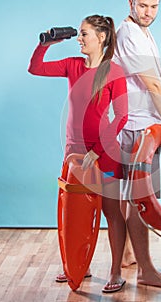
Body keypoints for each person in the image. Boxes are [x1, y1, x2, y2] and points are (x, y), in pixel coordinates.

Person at [28, 15, 128, 292]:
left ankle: (116, 272)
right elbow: (35, 68)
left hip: (104, 153)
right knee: (73, 211)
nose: (80, 39)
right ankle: (76, 266)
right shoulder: (73, 65)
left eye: (84, 34)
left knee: (111, 212)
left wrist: (96, 152)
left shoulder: (114, 72)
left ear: (102, 37)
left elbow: (121, 116)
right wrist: (48, 43)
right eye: (80, 34)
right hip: (74, 152)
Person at [114, 0, 161, 288]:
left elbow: (157, 80)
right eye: (142, 5)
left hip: (141, 123)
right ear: (130, 3)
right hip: (138, 127)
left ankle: (130, 255)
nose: (149, 12)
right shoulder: (130, 34)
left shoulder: (143, 31)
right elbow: (152, 84)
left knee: (132, 199)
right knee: (142, 199)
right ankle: (146, 270)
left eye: (154, 6)